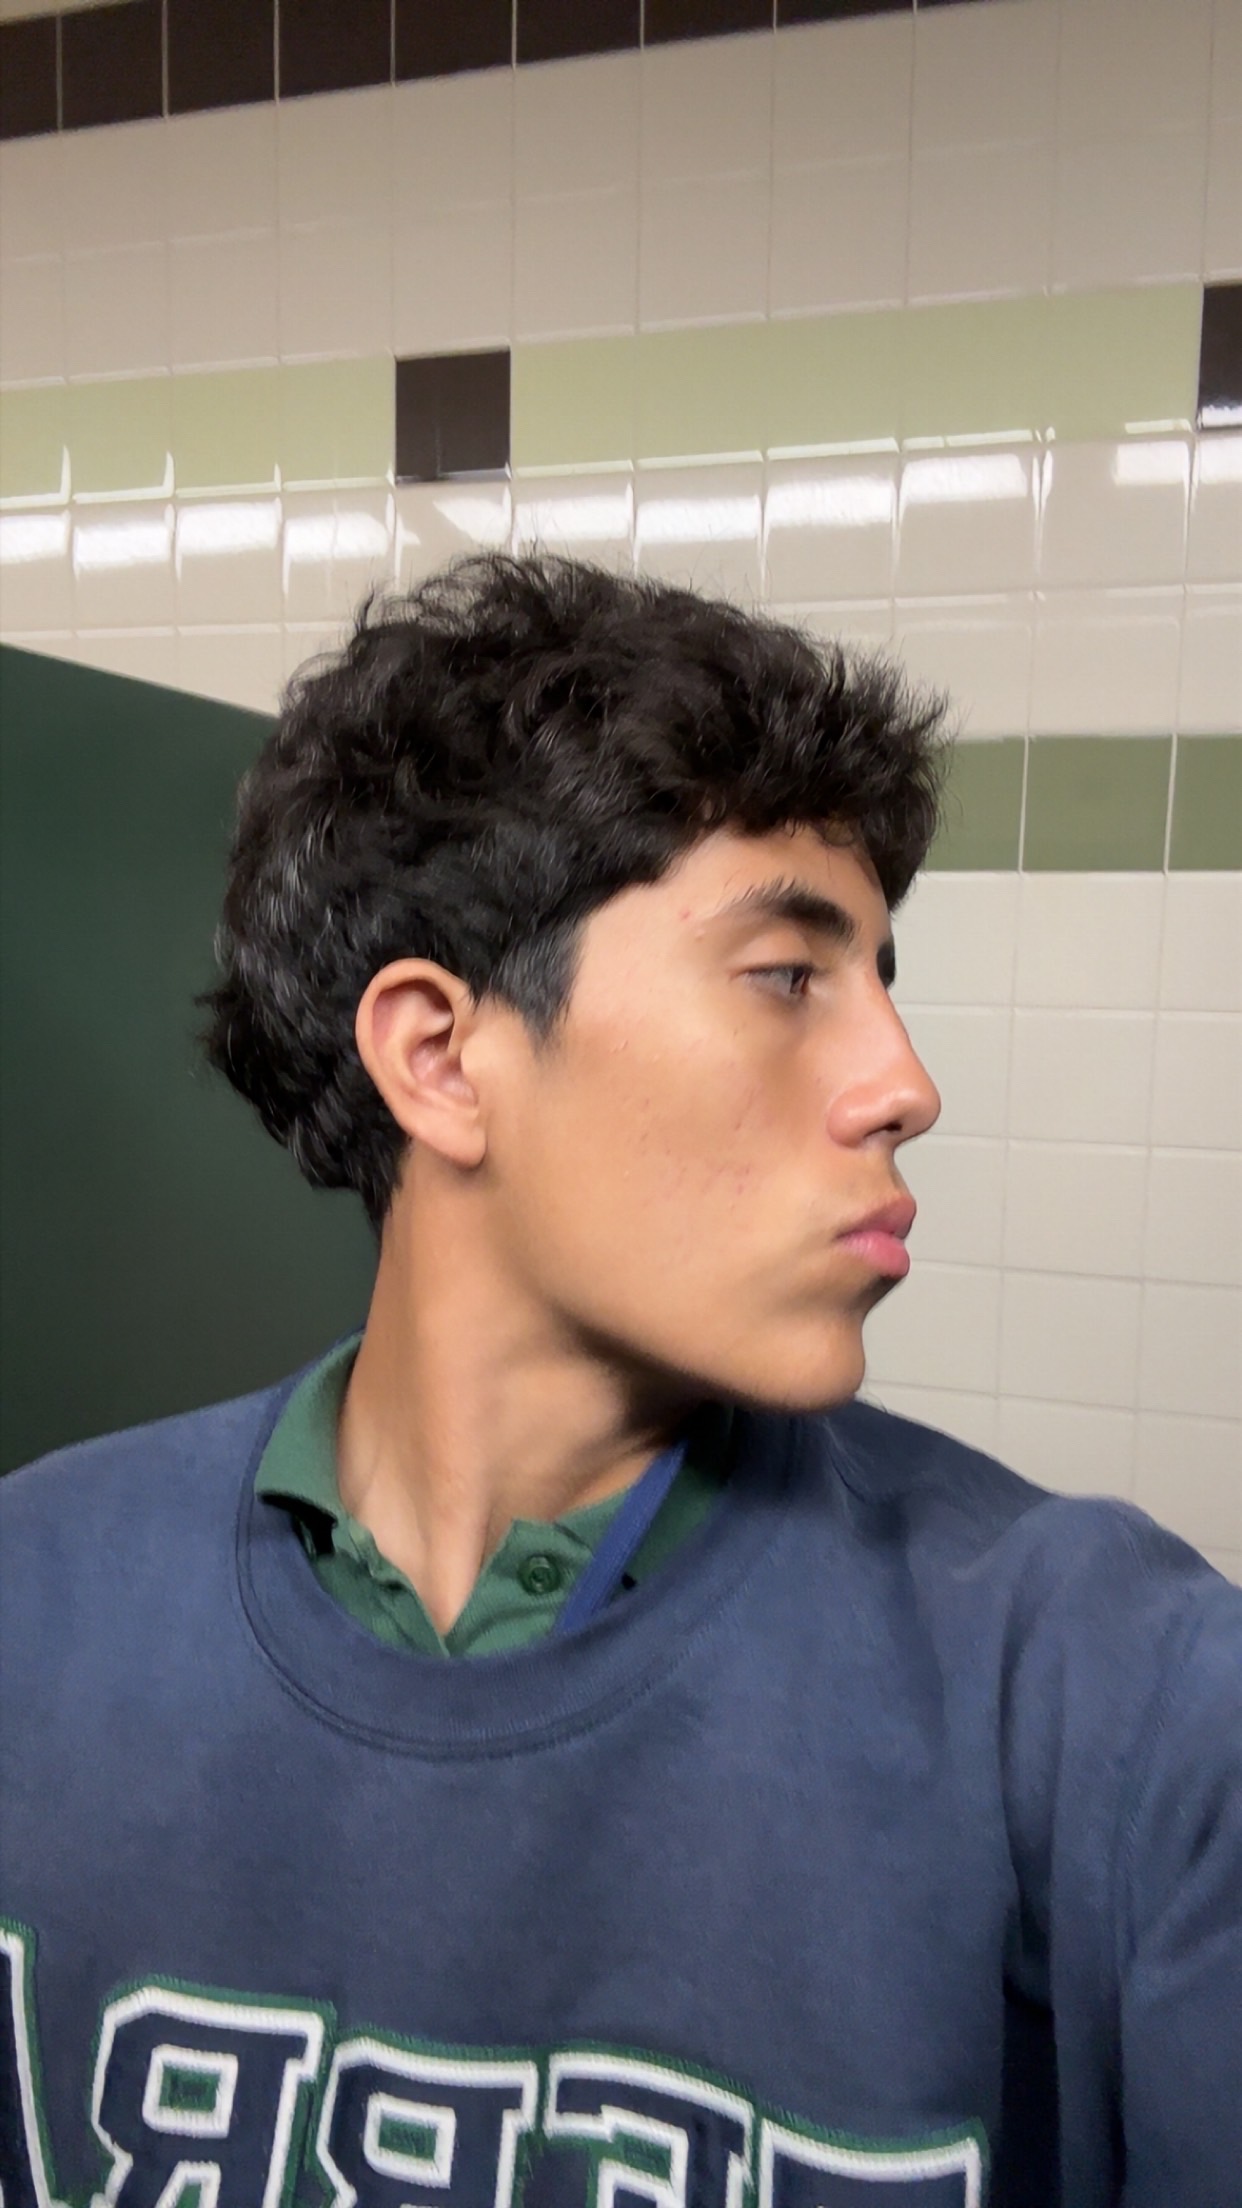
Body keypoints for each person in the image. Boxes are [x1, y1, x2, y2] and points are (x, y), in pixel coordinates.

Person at [1, 553, 1237, 2208]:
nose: (903, 1084)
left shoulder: (1118, 1704)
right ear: (440, 1057)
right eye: (786, 975)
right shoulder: (34, 1607)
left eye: (881, 983)